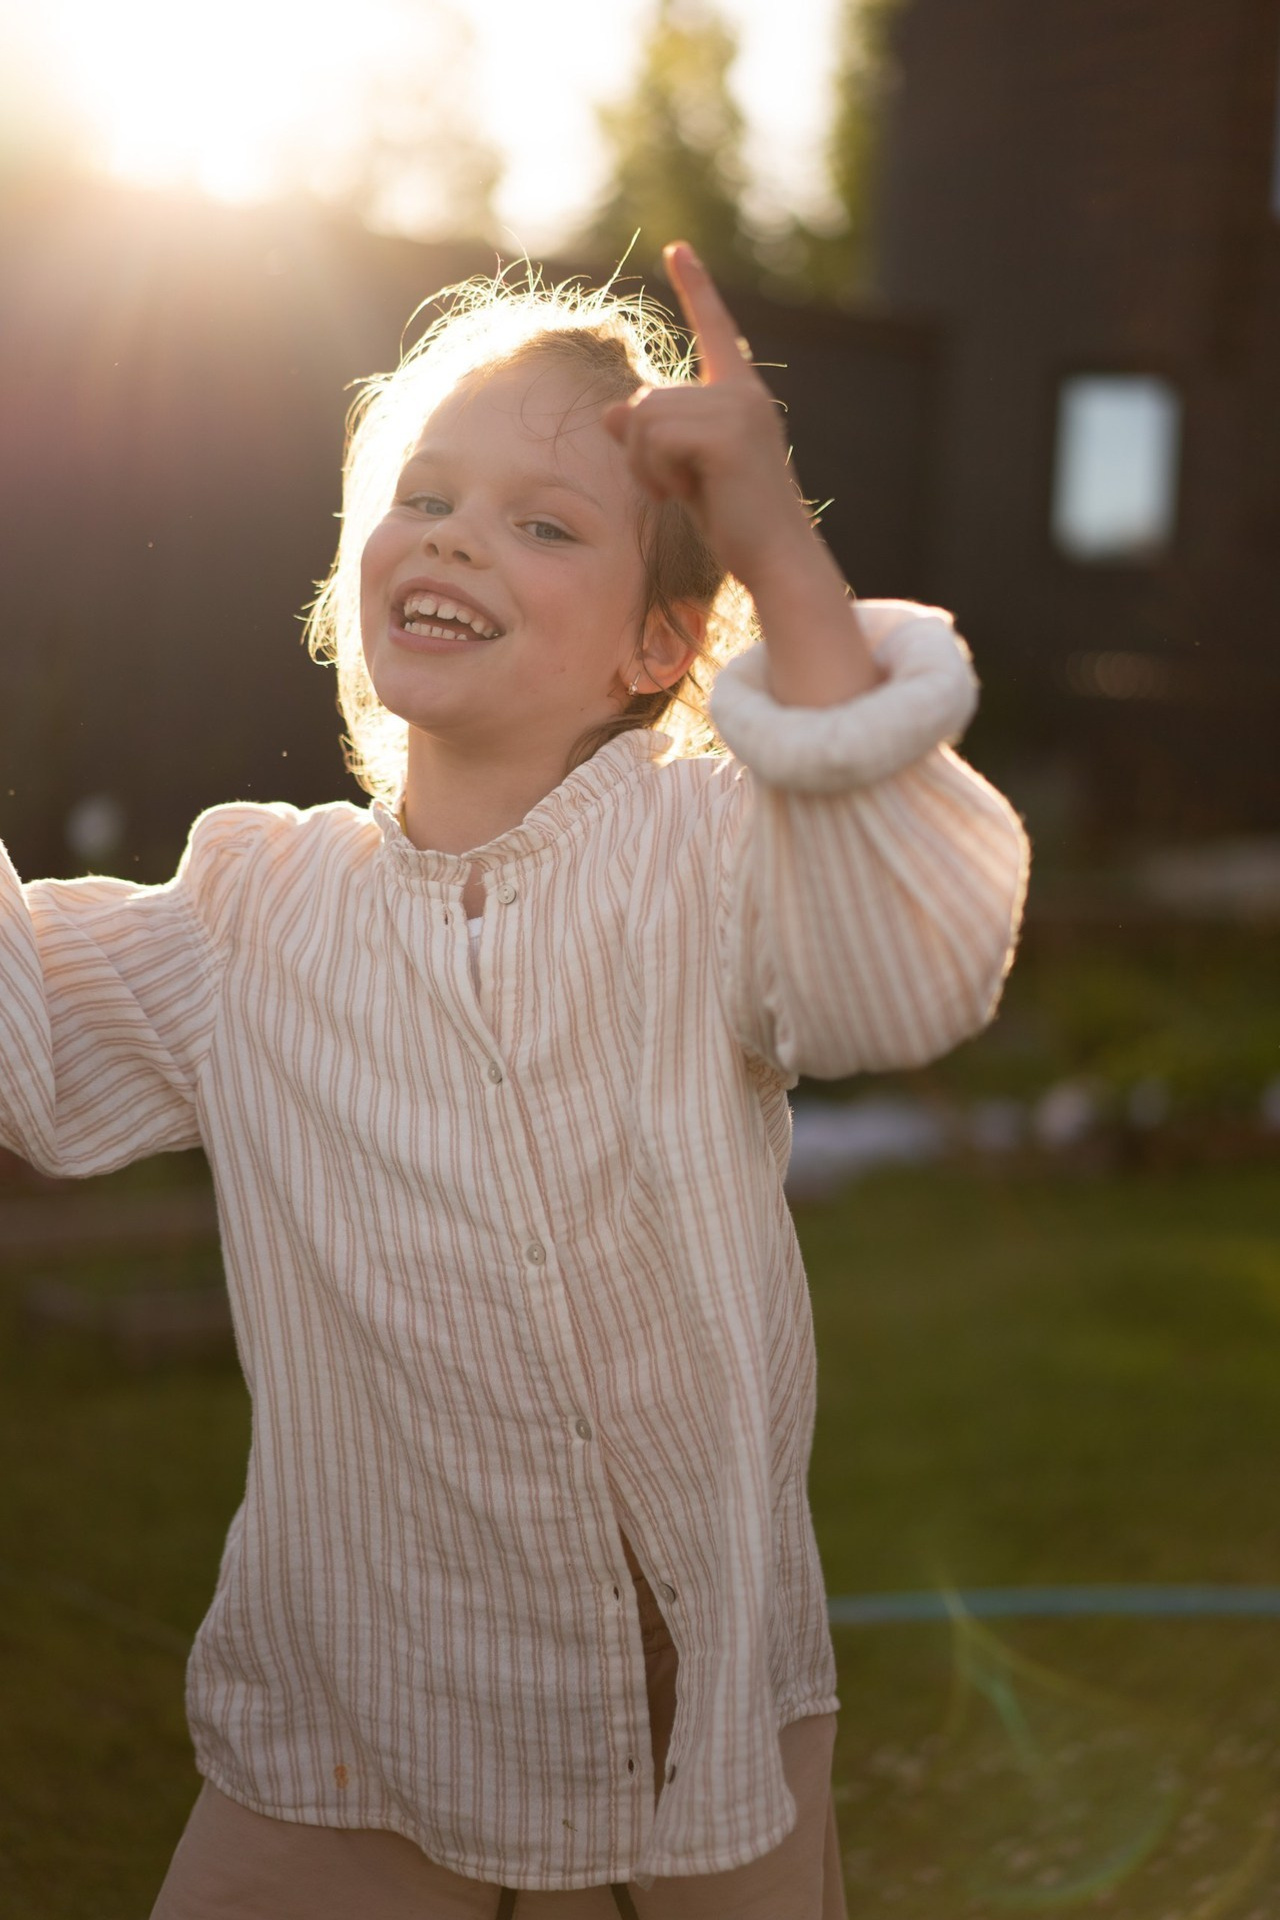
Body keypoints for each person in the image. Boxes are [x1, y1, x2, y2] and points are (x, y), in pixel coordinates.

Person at [0, 242, 1030, 1918]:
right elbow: (25, 1025)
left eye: (547, 524)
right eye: (428, 496)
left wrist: (769, 525)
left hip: (699, 1736)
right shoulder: (255, 910)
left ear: (658, 646)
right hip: (352, 1740)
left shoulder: (707, 860)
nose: (461, 533)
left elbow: (911, 952)